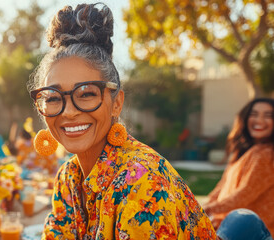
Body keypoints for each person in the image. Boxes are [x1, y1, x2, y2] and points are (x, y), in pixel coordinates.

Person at [28, 3, 216, 239]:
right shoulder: (68, 176)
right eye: (54, 97)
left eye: (86, 93)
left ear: (116, 103)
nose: (68, 112)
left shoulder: (143, 182)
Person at [204, 98, 274, 235]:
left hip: (250, 231)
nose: (259, 120)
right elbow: (221, 187)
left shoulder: (267, 154)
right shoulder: (244, 151)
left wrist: (207, 209)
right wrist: (205, 207)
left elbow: (244, 194)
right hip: (228, 226)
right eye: (254, 114)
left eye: (268, 116)